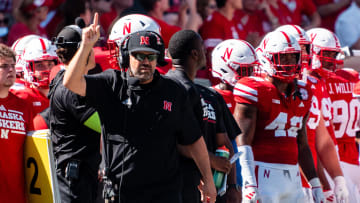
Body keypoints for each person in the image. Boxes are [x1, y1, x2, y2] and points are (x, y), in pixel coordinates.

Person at [62, 13, 217, 203]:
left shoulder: (174, 91)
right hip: (121, 193)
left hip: (165, 194)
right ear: (127, 57)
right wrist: (86, 45)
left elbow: (194, 140)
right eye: (139, 55)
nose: (146, 61)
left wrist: (208, 180)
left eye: (151, 56)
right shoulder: (111, 83)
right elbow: (70, 82)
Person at [233, 31, 325, 202]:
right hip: (262, 176)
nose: (290, 63)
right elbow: (243, 141)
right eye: (283, 58)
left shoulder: (303, 93)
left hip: (293, 180)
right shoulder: (254, 89)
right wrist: (250, 183)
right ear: (267, 58)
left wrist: (315, 184)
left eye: (293, 57)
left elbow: (302, 144)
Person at [276, 24, 349, 203]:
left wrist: (334, 181)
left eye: (303, 49)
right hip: (277, 176)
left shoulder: (310, 85)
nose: (299, 55)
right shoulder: (268, 88)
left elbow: (321, 140)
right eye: (293, 51)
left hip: (307, 179)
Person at [166, 30, 239, 203]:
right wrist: (212, 160)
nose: (206, 52)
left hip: (212, 190)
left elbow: (225, 143)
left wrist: (232, 186)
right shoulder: (166, 89)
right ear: (195, 53)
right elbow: (171, 138)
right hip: (178, 186)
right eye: (202, 48)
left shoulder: (212, 95)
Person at [49, 22, 102, 202]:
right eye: (90, 48)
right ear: (82, 53)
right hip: (75, 179)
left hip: (75, 174)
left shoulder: (60, 79)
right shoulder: (71, 90)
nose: (94, 51)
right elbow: (102, 125)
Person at [306, 27, 360, 203]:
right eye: (327, 54)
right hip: (331, 154)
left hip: (334, 152)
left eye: (333, 54)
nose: (332, 61)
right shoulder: (349, 77)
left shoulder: (317, 81)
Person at [0, 43, 34, 203]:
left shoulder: (24, 105)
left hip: (17, 196)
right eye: (4, 66)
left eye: (13, 65)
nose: (11, 70)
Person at [198, 0, 245, 85]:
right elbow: (213, 56)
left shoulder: (235, 20)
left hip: (236, 80)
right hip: (220, 84)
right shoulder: (214, 21)